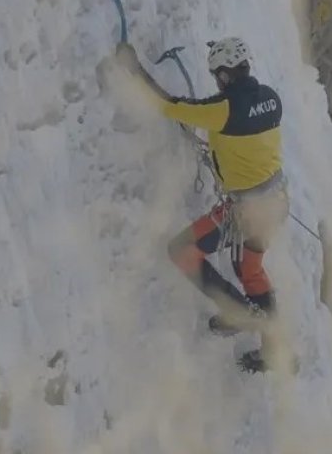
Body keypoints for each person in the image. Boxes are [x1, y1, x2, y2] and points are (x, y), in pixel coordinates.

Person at [108, 37, 290, 373]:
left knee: (182, 251)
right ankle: (275, 350)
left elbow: (169, 105)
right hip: (276, 201)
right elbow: (245, 138)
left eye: (216, 75)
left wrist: (135, 70)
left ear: (223, 74)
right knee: (251, 269)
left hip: (246, 211)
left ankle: (238, 313)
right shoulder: (272, 99)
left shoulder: (221, 110)